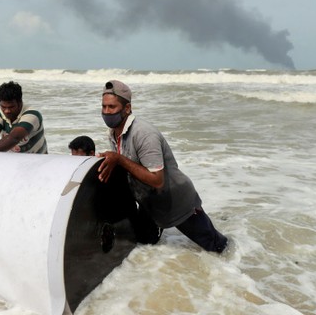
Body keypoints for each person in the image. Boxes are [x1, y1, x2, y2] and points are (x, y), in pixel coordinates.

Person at [96, 80, 228, 253]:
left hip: (176, 201)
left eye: (112, 107)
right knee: (144, 245)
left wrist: (119, 159)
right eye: (104, 107)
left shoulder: (143, 134)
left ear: (127, 108)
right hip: (149, 201)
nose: (106, 112)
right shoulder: (114, 132)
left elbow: (157, 180)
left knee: (217, 247)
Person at [0, 81, 48, 153]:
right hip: (13, 161)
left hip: (39, 161)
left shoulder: (32, 114)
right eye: (3, 107)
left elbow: (15, 137)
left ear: (20, 102)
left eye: (11, 107)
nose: (7, 111)